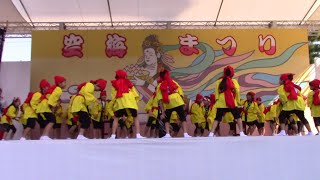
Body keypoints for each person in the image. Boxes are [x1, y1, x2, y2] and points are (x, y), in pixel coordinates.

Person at [208, 66, 246, 137]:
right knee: (238, 117)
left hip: (221, 102)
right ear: (232, 73)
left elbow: (216, 92)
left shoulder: (218, 81)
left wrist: (217, 100)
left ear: (224, 73)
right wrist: (237, 101)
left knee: (217, 118)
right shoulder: (234, 81)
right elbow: (237, 91)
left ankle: (211, 133)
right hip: (231, 102)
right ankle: (241, 133)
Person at [156, 69, 191, 138]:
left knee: (167, 119)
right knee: (182, 118)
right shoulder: (173, 82)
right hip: (178, 101)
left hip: (168, 103)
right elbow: (181, 93)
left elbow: (160, 99)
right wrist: (183, 102)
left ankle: (168, 134)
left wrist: (162, 110)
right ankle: (185, 133)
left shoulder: (159, 85)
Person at [110, 70, 144, 139]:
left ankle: (113, 135)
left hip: (120, 103)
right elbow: (135, 94)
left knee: (116, 119)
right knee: (135, 118)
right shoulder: (129, 83)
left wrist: (114, 104)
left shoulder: (114, 83)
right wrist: (135, 102)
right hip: (131, 102)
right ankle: (138, 135)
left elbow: (113, 96)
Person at [38, 76, 67, 140]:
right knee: (52, 120)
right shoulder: (58, 89)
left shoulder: (56, 89)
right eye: (64, 82)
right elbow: (53, 99)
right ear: (59, 83)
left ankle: (43, 135)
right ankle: (44, 135)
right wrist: (52, 109)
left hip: (43, 106)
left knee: (50, 121)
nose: (65, 84)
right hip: (46, 106)